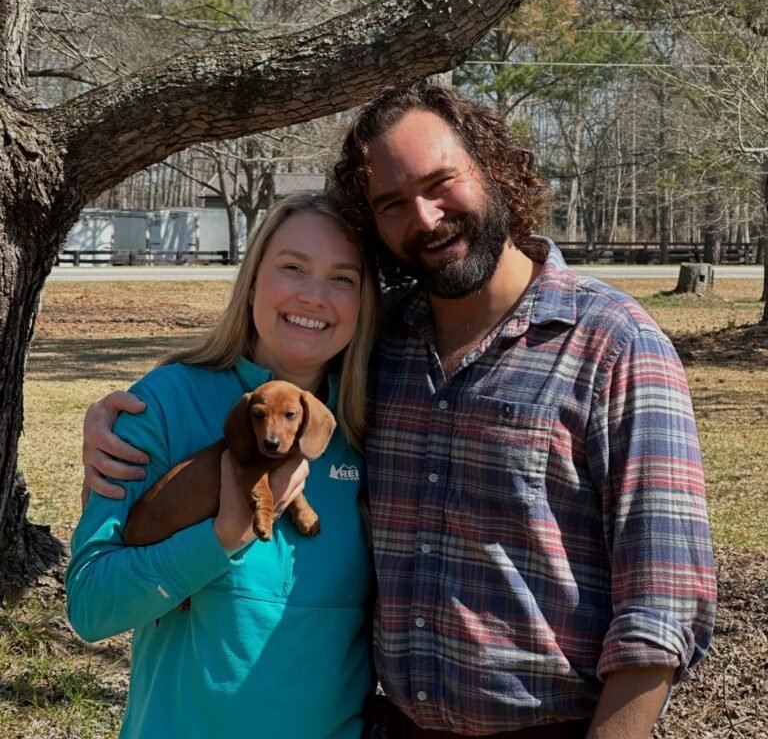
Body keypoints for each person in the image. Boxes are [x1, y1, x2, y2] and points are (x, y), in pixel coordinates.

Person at [83, 84, 717, 739]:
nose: (425, 216)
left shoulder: (614, 343)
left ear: (494, 169)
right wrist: (121, 418)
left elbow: (663, 606)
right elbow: (264, 373)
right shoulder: (379, 353)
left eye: (442, 182)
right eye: (391, 204)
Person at [67, 191, 379, 739]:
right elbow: (92, 606)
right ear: (252, 280)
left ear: (364, 302)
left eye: (342, 278)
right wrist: (221, 537)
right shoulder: (163, 403)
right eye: (292, 267)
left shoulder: (377, 424)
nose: (313, 296)